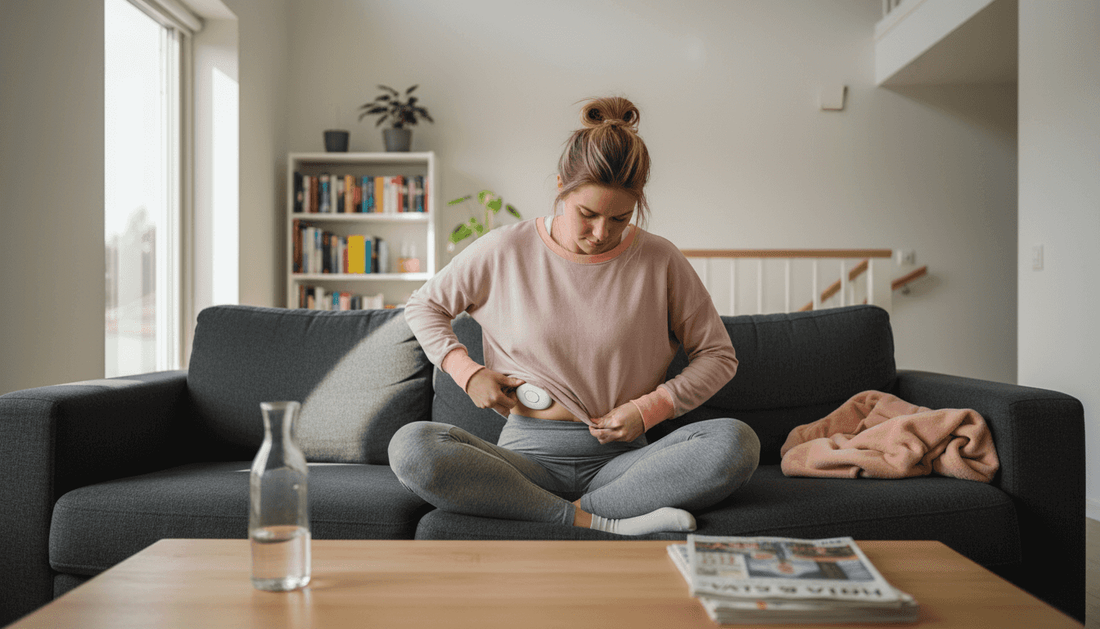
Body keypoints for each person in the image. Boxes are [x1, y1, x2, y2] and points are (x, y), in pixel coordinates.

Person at [389, 96, 759, 536]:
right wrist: (467, 373)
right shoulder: (505, 248)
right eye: (588, 214)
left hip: (624, 465)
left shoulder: (660, 260)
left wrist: (650, 409)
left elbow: (718, 356)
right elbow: (424, 305)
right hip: (524, 461)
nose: (601, 233)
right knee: (412, 445)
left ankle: (552, 515)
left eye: (620, 219)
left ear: (637, 204)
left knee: (736, 442)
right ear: (562, 186)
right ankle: (602, 523)